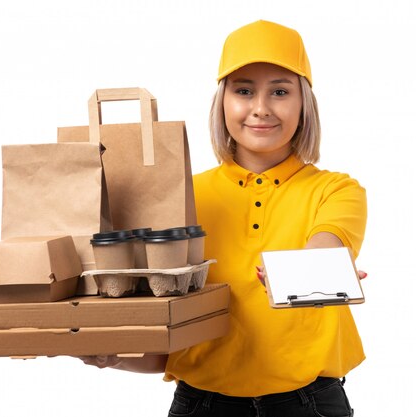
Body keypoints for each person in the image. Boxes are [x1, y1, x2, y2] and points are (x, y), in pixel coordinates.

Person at [81, 20, 368, 417]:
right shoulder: (182, 195)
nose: (261, 108)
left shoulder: (336, 190)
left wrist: (310, 272)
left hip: (310, 405)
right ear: (223, 102)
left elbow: (327, 242)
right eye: (244, 90)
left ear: (304, 104)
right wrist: (113, 356)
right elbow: (168, 339)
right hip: (201, 405)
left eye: (280, 91)